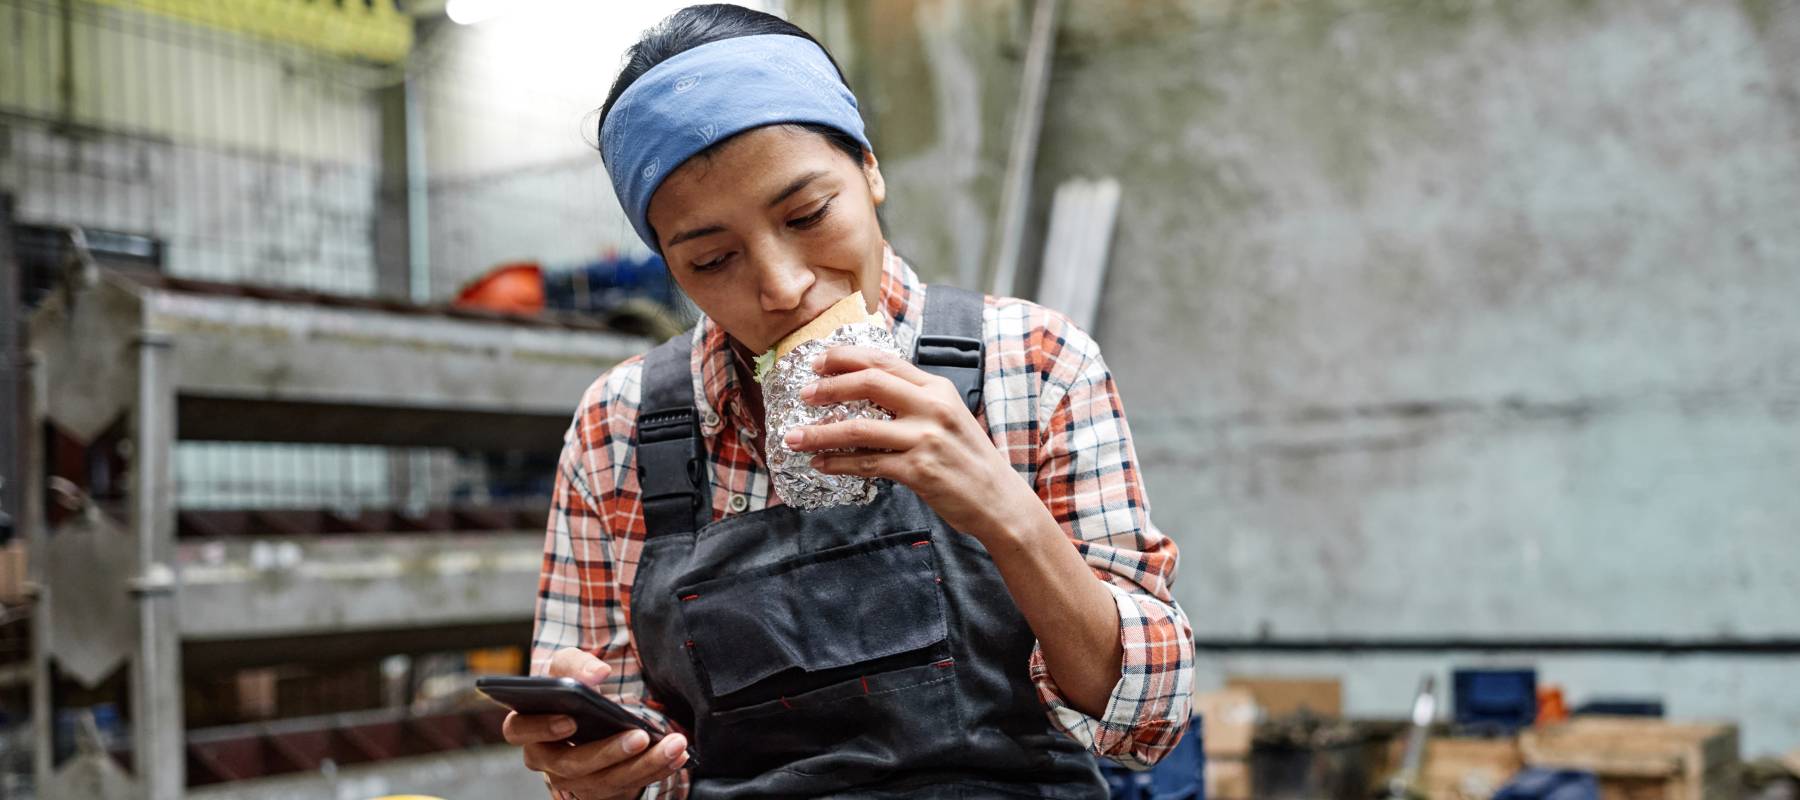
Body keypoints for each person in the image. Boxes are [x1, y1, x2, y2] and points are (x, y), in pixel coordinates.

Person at [503, 5, 1194, 798]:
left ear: (868, 168)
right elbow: (612, 764)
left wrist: (1006, 512)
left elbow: (1150, 722)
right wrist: (595, 768)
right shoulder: (617, 428)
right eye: (712, 258)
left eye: (807, 215)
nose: (781, 285)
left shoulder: (1034, 365)